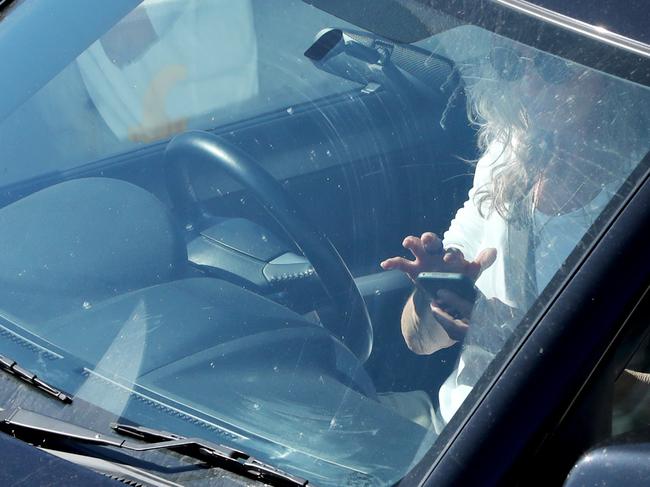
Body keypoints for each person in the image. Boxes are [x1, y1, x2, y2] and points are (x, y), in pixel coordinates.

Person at [379, 38, 649, 431]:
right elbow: (419, 341)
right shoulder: (506, 155)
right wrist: (433, 296)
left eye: (552, 67)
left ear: (613, 77)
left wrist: (525, 343)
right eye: (510, 64)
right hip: (450, 430)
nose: (527, 85)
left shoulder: (636, 205)